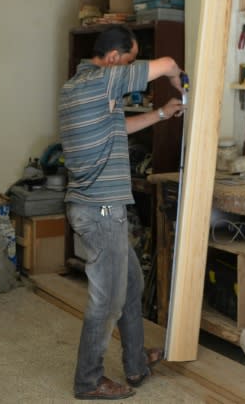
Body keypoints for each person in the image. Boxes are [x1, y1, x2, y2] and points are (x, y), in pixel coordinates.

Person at [59, 25, 184, 400]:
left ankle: (135, 364)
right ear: (113, 60)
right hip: (99, 210)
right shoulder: (99, 81)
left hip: (98, 207)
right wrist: (180, 82)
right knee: (108, 299)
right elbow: (167, 63)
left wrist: (161, 113)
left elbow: (119, 127)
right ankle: (89, 381)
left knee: (130, 286)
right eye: (128, 63)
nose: (129, 74)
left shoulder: (81, 87)